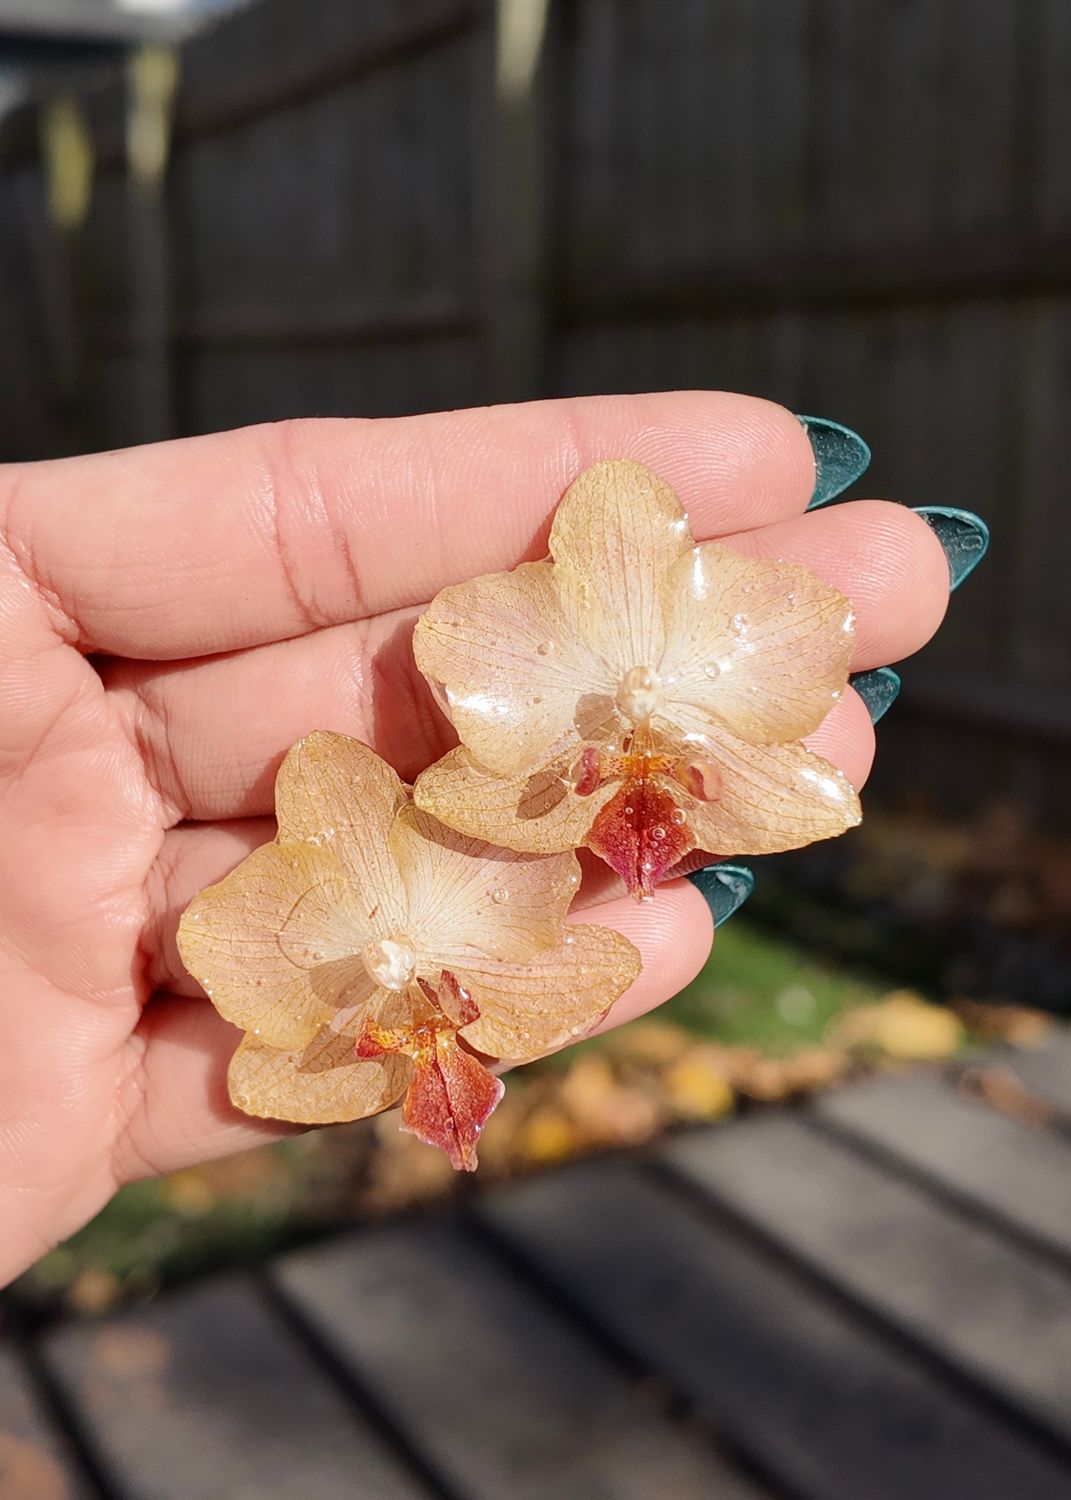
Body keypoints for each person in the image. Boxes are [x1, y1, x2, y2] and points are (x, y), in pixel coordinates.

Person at [0, 391, 953, 1286]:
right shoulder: (469, 823)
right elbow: (251, 942)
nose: (639, 725)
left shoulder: (493, 815)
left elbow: (805, 648)